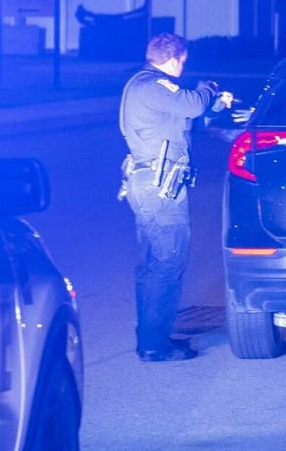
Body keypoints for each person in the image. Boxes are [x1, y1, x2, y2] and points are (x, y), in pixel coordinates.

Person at [119, 32, 233, 361]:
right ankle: (155, 346)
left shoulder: (148, 88)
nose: (183, 68)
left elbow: (189, 119)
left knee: (154, 265)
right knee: (168, 264)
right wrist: (209, 88)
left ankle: (150, 337)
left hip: (149, 184)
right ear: (173, 60)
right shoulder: (154, 85)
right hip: (160, 188)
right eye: (182, 62)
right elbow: (193, 104)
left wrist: (216, 106)